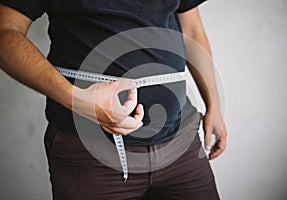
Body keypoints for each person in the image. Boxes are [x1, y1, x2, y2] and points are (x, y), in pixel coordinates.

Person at [0, 0, 227, 199]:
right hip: (88, 150)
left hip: (181, 140)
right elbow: (5, 31)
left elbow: (192, 30)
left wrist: (214, 105)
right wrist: (78, 100)